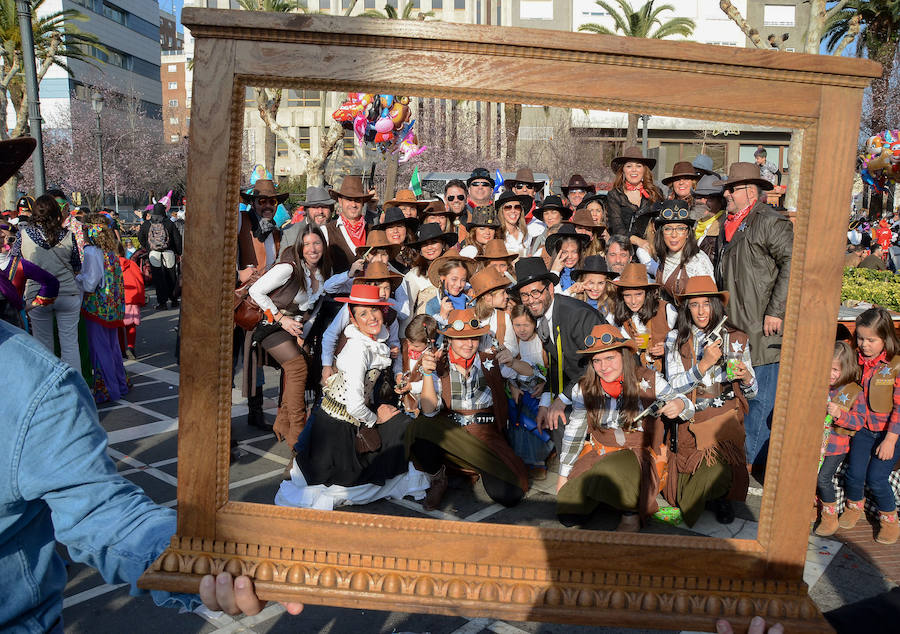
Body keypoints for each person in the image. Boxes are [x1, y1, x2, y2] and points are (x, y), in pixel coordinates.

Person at [275, 284, 430, 510]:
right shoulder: (360, 349)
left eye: (374, 311)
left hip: (340, 421)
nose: (371, 317)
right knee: (401, 425)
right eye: (363, 314)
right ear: (354, 320)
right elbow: (356, 405)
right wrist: (378, 419)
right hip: (338, 430)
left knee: (400, 423)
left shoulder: (372, 341)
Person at [556, 324, 693, 531]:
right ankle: (610, 497)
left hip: (637, 454)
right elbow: (574, 432)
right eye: (597, 361)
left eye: (610, 358)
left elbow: (684, 402)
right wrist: (563, 476)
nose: (604, 367)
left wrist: (680, 405)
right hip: (599, 452)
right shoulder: (583, 388)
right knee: (568, 513)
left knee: (610, 468)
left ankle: (630, 512)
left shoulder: (648, 379)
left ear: (623, 356)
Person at [406, 308, 530, 509]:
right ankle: (439, 479)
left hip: (486, 436)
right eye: (461, 339)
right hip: (452, 432)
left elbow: (533, 379)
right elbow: (429, 411)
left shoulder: (489, 361)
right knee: (419, 430)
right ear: (450, 340)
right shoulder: (438, 365)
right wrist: (427, 374)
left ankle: (472, 466)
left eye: (473, 338)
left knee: (510, 495)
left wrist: (514, 362)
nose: (468, 344)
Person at [715, 162, 792, 474]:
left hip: (762, 330)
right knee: (738, 399)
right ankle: (739, 465)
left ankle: (747, 470)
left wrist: (776, 310)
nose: (726, 193)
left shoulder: (771, 221)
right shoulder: (727, 224)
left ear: (750, 190)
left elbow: (793, 262)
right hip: (733, 332)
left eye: (731, 188)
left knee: (760, 403)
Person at [663, 276, 756, 526]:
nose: (702, 311)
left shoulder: (736, 337)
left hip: (724, 420)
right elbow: (672, 387)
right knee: (680, 491)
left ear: (716, 305)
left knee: (719, 467)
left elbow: (752, 392)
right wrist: (703, 365)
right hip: (691, 419)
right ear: (687, 308)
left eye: (707, 303)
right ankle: (709, 498)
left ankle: (706, 504)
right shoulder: (675, 339)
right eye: (695, 305)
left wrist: (746, 377)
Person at [248, 225, 331, 449]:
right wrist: (279, 318)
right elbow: (255, 291)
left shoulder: (322, 273)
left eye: (317, 243)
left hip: (293, 327)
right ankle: (297, 434)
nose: (312, 249)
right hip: (269, 325)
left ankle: (283, 422)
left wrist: (303, 333)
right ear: (300, 247)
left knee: (301, 365)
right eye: (307, 244)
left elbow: (313, 310)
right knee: (297, 368)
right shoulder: (289, 268)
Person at [512, 257, 603, 455]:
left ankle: (571, 478)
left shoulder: (577, 315)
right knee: (550, 418)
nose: (530, 300)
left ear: (550, 289)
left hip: (603, 387)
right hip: (579, 385)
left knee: (561, 420)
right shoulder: (543, 318)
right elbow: (556, 363)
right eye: (524, 295)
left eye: (535, 292)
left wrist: (562, 400)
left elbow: (596, 363)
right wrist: (546, 403)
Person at [838, 308, 900, 544]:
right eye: (861, 338)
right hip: (864, 429)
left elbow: (899, 408)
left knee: (876, 478)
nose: (864, 344)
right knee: (854, 473)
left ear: (886, 338)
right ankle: (855, 506)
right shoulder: (857, 361)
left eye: (871, 340)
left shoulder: (896, 365)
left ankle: (889, 519)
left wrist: (891, 440)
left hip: (890, 432)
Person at [17, 194, 82, 370]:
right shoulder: (68, 235)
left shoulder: (23, 235)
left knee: (43, 346)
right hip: (67, 292)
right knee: (70, 345)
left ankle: (51, 390)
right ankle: (76, 388)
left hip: (37, 294)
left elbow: (16, 264)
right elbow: (77, 265)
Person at [814, 341, 863, 537]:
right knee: (809, 477)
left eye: (835, 369)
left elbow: (858, 422)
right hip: (814, 444)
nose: (830, 374)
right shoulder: (818, 385)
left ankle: (830, 517)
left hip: (836, 447)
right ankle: (811, 509)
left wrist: (840, 415)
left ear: (846, 368)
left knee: (823, 479)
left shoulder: (853, 392)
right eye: (827, 368)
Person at [78, 215, 129, 403]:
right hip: (113, 308)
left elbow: (90, 283)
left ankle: (107, 388)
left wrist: (76, 277)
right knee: (112, 346)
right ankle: (120, 383)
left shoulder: (91, 251)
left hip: (96, 307)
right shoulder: (111, 251)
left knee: (100, 349)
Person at [638, 199, 714, 301]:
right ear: (661, 233)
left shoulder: (698, 261)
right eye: (668, 229)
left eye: (680, 228)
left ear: (687, 233)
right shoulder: (663, 257)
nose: (674, 235)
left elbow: (709, 303)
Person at [609, 262, 677, 372]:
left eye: (638, 294)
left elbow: (686, 341)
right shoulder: (617, 317)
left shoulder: (667, 310)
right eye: (627, 295)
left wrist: (668, 348)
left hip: (669, 373)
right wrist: (631, 345)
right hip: (638, 375)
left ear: (647, 293)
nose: (633, 301)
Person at [0, 220, 58, 329]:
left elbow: (51, 282)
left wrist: (30, 306)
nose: (6, 243)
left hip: (14, 323)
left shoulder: (21, 265)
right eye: (1, 238)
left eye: (10, 239)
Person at [401, 222, 457, 327]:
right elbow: (407, 310)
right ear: (420, 250)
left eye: (434, 242)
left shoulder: (455, 269)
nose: (429, 247)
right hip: (425, 331)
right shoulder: (414, 275)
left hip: (455, 329)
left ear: (443, 244)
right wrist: (404, 338)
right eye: (425, 244)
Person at [604, 146, 663, 238]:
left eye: (638, 166)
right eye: (629, 166)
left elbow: (661, 223)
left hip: (651, 245)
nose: (634, 169)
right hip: (624, 246)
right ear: (623, 170)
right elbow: (617, 229)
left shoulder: (656, 192)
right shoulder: (614, 195)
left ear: (644, 170)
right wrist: (638, 242)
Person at [325, 175, 374, 273]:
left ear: (363, 203)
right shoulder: (326, 231)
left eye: (357, 200)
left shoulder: (372, 230)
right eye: (349, 199)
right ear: (340, 201)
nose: (353, 205)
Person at [138, 201, 182, 310]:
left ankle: (162, 303)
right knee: (171, 276)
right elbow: (177, 239)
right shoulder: (169, 223)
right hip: (169, 252)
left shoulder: (147, 224)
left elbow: (141, 237)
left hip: (154, 253)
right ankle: (174, 299)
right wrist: (178, 252)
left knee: (158, 278)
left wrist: (148, 248)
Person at [278, 186, 334, 258]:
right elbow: (282, 264)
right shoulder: (290, 234)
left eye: (325, 207)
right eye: (315, 207)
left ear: (331, 209)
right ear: (306, 210)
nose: (320, 211)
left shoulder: (338, 231)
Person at [424, 248, 476, 323]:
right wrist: (443, 316)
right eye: (454, 279)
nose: (458, 284)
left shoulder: (471, 300)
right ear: (443, 278)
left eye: (463, 280)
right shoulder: (432, 305)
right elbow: (431, 334)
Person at [691, 174, 727, 269]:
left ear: (721, 202)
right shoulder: (689, 227)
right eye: (699, 197)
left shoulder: (725, 229)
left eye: (710, 198)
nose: (703, 201)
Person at [117, 241, 145, 360]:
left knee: (118, 326)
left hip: (118, 299)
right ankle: (131, 347)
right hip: (132, 298)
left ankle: (121, 349)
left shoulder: (110, 264)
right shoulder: (131, 264)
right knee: (131, 325)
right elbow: (139, 279)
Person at [372, 206, 419, 274]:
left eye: (399, 226)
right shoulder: (380, 257)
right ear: (385, 232)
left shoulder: (418, 252)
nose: (395, 231)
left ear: (406, 230)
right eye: (390, 227)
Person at [544, 223, 590, 292]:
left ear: (579, 252)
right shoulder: (546, 278)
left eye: (574, 252)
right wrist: (555, 273)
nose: (570, 257)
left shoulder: (587, 275)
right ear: (557, 253)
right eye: (564, 252)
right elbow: (555, 300)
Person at [496, 190, 534, 258]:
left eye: (517, 207)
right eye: (508, 207)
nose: (513, 211)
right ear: (501, 211)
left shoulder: (527, 234)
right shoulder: (496, 235)